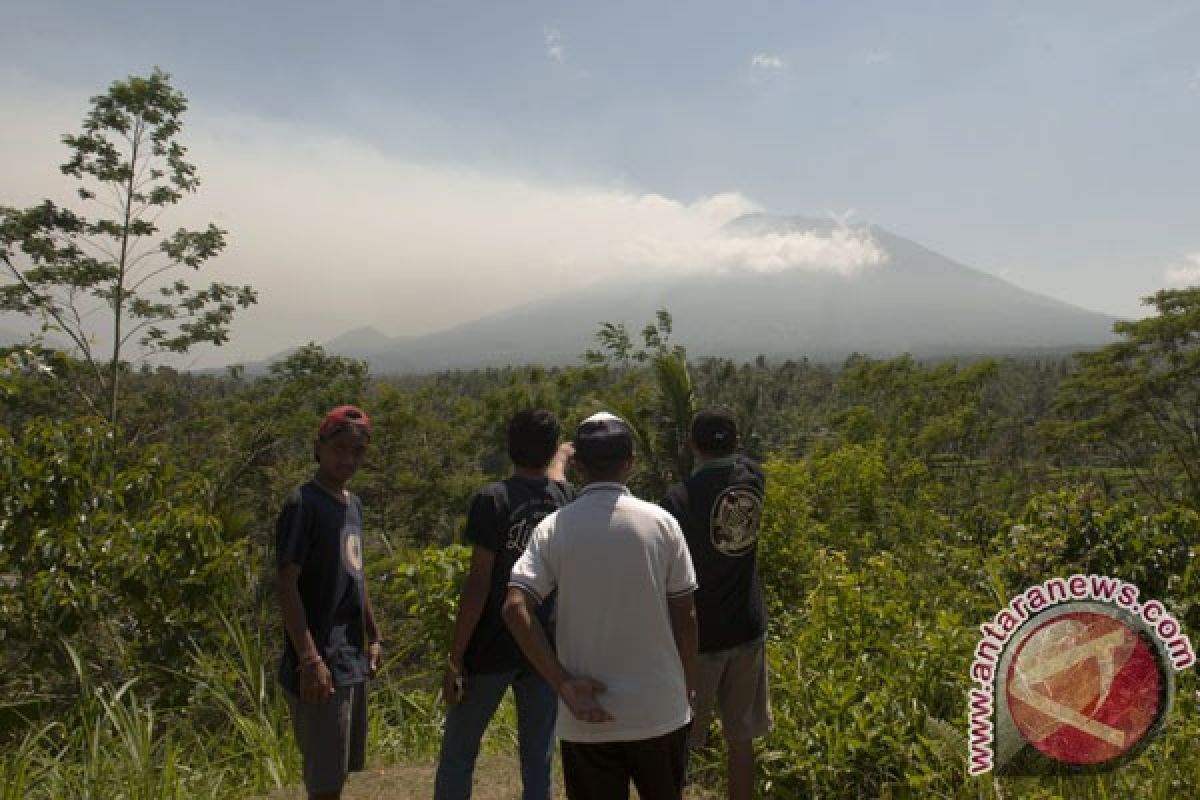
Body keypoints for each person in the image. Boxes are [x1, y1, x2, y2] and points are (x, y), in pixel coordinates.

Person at [503, 411, 699, 800]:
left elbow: (514, 608)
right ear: (630, 462)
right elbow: (686, 616)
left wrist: (561, 683)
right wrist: (687, 685)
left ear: (577, 465)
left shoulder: (554, 528)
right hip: (657, 707)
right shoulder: (662, 524)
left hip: (587, 715)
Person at [434, 409, 575, 800]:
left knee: (460, 752)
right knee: (538, 756)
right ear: (549, 451)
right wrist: (561, 458)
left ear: (509, 447)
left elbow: (479, 583)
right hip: (542, 646)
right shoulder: (563, 499)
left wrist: (455, 656)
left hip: (490, 645)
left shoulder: (492, 500)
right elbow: (558, 479)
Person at [660, 408, 771, 800]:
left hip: (699, 637)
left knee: (680, 739)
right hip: (747, 626)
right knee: (740, 737)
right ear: (737, 441)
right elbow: (744, 461)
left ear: (692, 444)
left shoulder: (679, 499)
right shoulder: (754, 479)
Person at [276, 405, 384, 800]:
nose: (348, 460)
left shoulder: (351, 503)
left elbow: (356, 574)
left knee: (337, 772)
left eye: (358, 451)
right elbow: (287, 585)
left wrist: (374, 635)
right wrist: (309, 659)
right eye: (340, 449)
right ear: (318, 447)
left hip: (349, 656)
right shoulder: (303, 504)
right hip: (320, 663)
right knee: (323, 781)